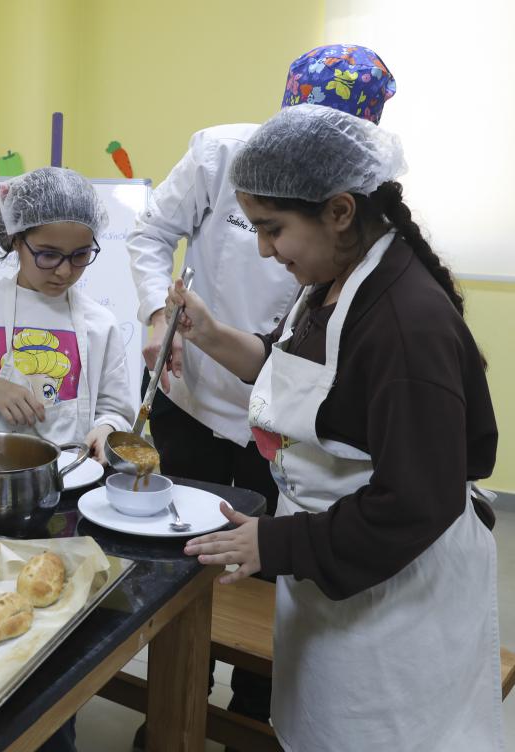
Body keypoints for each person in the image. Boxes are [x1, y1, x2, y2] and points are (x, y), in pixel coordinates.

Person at [172, 105, 501, 750]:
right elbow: (292, 373)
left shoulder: (406, 325)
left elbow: (415, 500)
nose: (264, 249)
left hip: (395, 591)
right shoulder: (336, 280)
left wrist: (278, 545)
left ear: (340, 211)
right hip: (338, 568)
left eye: (272, 229)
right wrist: (207, 333)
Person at [125, 43, 396, 730]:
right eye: (263, 227)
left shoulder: (372, 212)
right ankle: (176, 701)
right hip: (197, 396)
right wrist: (160, 316)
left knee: (265, 567)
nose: (270, 247)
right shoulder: (224, 156)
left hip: (286, 422)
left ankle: (252, 715)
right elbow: (150, 233)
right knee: (181, 553)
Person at [0, 167, 134, 460]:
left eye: (80, 255)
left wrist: (108, 430)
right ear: (16, 241)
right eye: (48, 255)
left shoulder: (101, 324)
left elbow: (115, 410)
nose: (64, 271)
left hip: (69, 475)